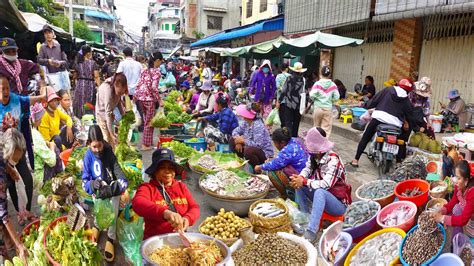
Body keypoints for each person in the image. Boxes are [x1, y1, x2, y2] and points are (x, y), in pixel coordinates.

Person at [289, 127, 351, 243]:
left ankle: (312, 231)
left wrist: (305, 181)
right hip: (323, 196)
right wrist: (300, 178)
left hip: (338, 205)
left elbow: (326, 184)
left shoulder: (333, 160)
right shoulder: (314, 157)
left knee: (319, 192)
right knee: (300, 185)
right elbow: (307, 169)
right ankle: (305, 218)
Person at [0, 74, 47, 223]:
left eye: (7, 87)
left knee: (27, 179)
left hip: (19, 152)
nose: (6, 91)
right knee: (11, 185)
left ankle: (26, 210)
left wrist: (42, 94)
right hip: (4, 156)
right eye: (2, 89)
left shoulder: (16, 100)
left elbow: (30, 100)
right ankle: (20, 214)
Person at [82, 125, 129, 262]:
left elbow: (118, 171)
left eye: (100, 146)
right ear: (89, 145)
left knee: (112, 213)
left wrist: (119, 188)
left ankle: (110, 237)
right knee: (98, 211)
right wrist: (91, 184)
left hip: (110, 188)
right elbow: (85, 179)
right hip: (98, 190)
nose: (97, 150)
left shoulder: (108, 152)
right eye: (94, 147)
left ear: (103, 142)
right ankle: (97, 226)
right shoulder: (87, 156)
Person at [350, 79, 420, 167]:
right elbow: (410, 115)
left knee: (366, 137)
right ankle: (398, 162)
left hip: (379, 117)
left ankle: (356, 160)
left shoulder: (388, 90)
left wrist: (365, 105)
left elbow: (375, 100)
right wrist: (416, 128)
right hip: (395, 124)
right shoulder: (406, 100)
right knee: (399, 140)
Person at [132, 149, 200, 240]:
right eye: (162, 167)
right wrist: (165, 213)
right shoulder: (148, 188)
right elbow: (138, 203)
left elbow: (194, 207)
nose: (167, 171)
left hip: (180, 239)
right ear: (155, 171)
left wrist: (187, 219)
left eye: (171, 167)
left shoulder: (181, 187)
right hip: (156, 241)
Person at [0, 38, 40, 170]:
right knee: (7, 140)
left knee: (26, 139)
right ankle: (8, 169)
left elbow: (37, 68)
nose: (11, 52)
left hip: (22, 105)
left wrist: (40, 80)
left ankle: (30, 167)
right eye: (8, 51)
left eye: (13, 50)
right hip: (6, 109)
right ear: (2, 51)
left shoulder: (22, 64)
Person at [0, 128, 30, 262]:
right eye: (15, 159)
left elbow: (4, 160)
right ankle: (5, 255)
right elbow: (4, 213)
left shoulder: (3, 139)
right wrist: (20, 244)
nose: (17, 161)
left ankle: (9, 240)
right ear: (8, 153)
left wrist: (10, 169)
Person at [254, 127, 308, 200]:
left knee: (272, 172)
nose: (275, 146)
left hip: (299, 177)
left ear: (282, 142)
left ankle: (286, 195)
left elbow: (275, 164)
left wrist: (260, 167)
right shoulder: (295, 140)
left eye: (275, 143)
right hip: (305, 172)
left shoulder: (288, 150)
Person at [432, 160, 473, 239]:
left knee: (458, 211)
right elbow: (453, 202)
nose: (456, 181)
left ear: (466, 180)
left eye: (459, 178)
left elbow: (463, 219)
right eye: (455, 177)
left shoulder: (472, 192)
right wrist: (442, 210)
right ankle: (456, 238)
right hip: (466, 211)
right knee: (456, 208)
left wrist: (442, 218)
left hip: (472, 217)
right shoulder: (458, 186)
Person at [134, 52, 163, 151]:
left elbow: (138, 84)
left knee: (146, 120)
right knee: (149, 122)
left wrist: (135, 97)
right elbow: (154, 88)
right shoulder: (156, 72)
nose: (160, 64)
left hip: (140, 98)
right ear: (157, 61)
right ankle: (145, 145)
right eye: (160, 62)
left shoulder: (144, 70)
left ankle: (148, 142)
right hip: (149, 99)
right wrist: (160, 100)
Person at [231, 103, 274, 167]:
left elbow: (258, 145)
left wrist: (243, 141)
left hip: (264, 153)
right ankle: (241, 162)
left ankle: (257, 169)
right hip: (249, 146)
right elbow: (235, 131)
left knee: (248, 151)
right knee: (232, 140)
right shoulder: (246, 122)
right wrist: (238, 142)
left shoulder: (258, 125)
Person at [30, 103, 62, 189]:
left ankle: (60, 176)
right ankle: (60, 178)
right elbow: (52, 162)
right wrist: (51, 147)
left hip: (38, 167)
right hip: (41, 177)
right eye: (40, 117)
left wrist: (47, 143)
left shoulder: (33, 131)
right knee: (56, 151)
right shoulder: (35, 135)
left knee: (56, 141)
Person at [95, 73, 128, 146]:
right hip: (102, 113)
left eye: (122, 93)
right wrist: (111, 134)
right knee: (106, 139)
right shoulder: (108, 90)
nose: (120, 94)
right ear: (116, 85)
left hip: (109, 112)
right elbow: (108, 112)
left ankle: (112, 154)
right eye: (119, 92)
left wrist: (124, 115)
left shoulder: (120, 88)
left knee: (112, 140)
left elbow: (119, 101)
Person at [277, 62, 307, 138]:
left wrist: (279, 101)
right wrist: (305, 105)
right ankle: (294, 138)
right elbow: (304, 92)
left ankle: (288, 138)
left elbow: (284, 91)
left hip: (289, 104)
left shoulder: (289, 78)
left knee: (288, 123)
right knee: (296, 123)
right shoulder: (303, 79)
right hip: (298, 105)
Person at [310, 66, 340, 137]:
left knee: (316, 127)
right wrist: (330, 100)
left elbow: (312, 95)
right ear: (329, 75)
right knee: (326, 129)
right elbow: (337, 97)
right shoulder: (333, 85)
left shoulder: (317, 84)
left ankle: (315, 144)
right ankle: (323, 145)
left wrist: (317, 99)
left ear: (321, 74)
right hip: (327, 109)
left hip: (317, 108)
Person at [73, 45, 100, 119]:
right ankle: (88, 117)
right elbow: (96, 76)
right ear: (88, 53)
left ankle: (78, 117)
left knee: (79, 101)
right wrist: (99, 87)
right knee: (88, 102)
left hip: (80, 84)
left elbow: (74, 76)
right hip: (90, 85)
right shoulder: (93, 63)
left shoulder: (78, 63)